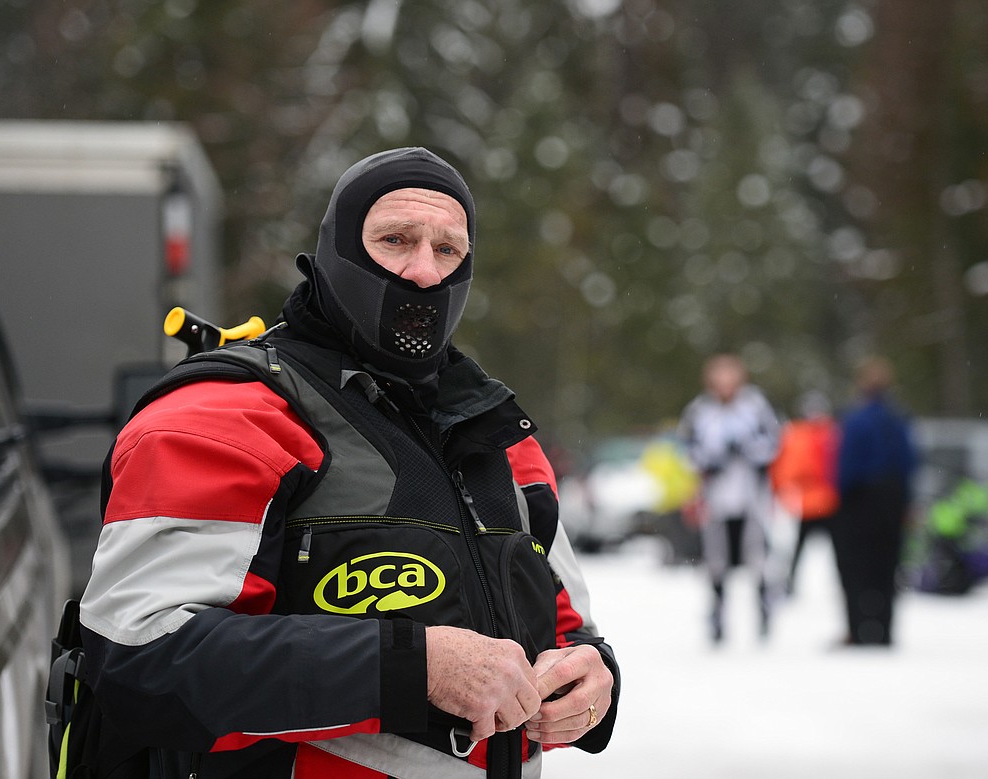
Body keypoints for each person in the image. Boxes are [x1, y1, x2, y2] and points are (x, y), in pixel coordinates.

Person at [78, 147, 619, 778]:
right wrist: (409, 667)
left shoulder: (500, 438)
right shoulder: (225, 418)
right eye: (395, 240)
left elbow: (567, 628)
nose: (424, 273)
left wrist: (592, 681)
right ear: (336, 252)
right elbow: (138, 658)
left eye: (449, 251)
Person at [678, 354, 781, 643]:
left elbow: (774, 443)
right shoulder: (700, 410)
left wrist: (749, 450)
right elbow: (688, 450)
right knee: (716, 562)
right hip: (717, 499)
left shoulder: (755, 406)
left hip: (751, 497)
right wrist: (710, 461)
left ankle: (764, 611)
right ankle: (717, 617)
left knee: (757, 559)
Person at [832, 356, 917, 646]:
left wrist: (842, 499)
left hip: (860, 499)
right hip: (892, 498)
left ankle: (858, 630)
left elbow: (846, 465)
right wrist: (905, 499)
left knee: (856, 568)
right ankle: (884, 630)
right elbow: (909, 462)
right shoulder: (898, 418)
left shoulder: (856, 419)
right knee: (887, 567)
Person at [769, 390, 839, 597]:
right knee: (800, 547)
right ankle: (790, 583)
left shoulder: (829, 434)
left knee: (834, 551)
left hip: (825, 503)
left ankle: (794, 583)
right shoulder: (800, 435)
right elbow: (786, 469)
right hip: (811, 504)